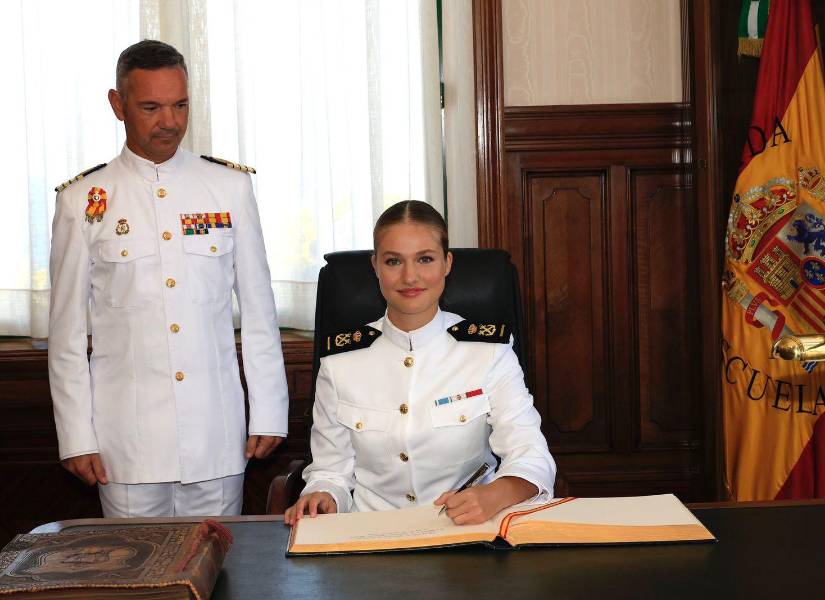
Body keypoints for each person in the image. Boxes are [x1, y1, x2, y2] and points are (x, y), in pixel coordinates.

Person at [48, 40, 289, 517]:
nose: (170, 121)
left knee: (220, 572)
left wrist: (269, 411)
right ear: (118, 106)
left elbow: (260, 313)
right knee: (135, 581)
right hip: (126, 444)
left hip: (215, 438)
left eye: (180, 105)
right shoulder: (84, 200)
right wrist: (76, 435)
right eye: (151, 107)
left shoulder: (228, 188)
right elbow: (67, 334)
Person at [285, 200, 555, 526]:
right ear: (375, 267)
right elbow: (331, 471)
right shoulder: (341, 361)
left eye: (425, 259)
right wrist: (323, 495)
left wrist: (497, 493)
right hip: (370, 541)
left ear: (447, 263)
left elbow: (532, 456)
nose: (410, 276)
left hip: (464, 535)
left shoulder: (489, 353)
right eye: (393, 261)